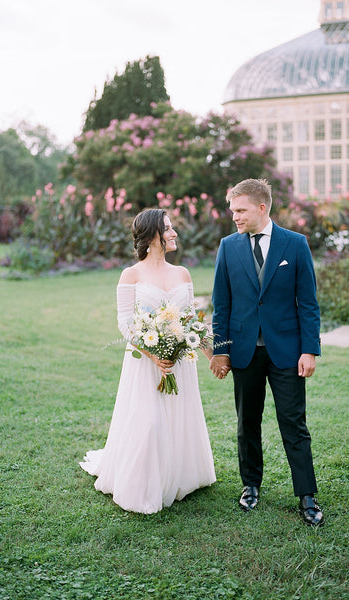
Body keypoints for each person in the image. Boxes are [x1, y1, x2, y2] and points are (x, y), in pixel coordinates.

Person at [80, 208, 216, 514]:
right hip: (145, 361)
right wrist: (154, 354)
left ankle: (179, 474)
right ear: (152, 235)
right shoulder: (132, 274)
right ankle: (141, 481)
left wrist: (211, 353)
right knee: (150, 422)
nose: (174, 233)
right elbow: (125, 323)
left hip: (179, 362)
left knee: (179, 419)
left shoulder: (182, 273)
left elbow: (192, 320)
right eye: (168, 229)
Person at [209, 179, 323, 526]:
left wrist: (310, 350)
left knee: (294, 423)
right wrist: (220, 350)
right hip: (244, 352)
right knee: (247, 424)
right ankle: (251, 485)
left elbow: (308, 304)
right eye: (232, 210)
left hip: (287, 352)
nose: (234, 217)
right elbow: (221, 305)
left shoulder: (295, 244)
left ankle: (306, 496)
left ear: (262, 208)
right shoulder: (228, 247)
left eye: (240, 210)